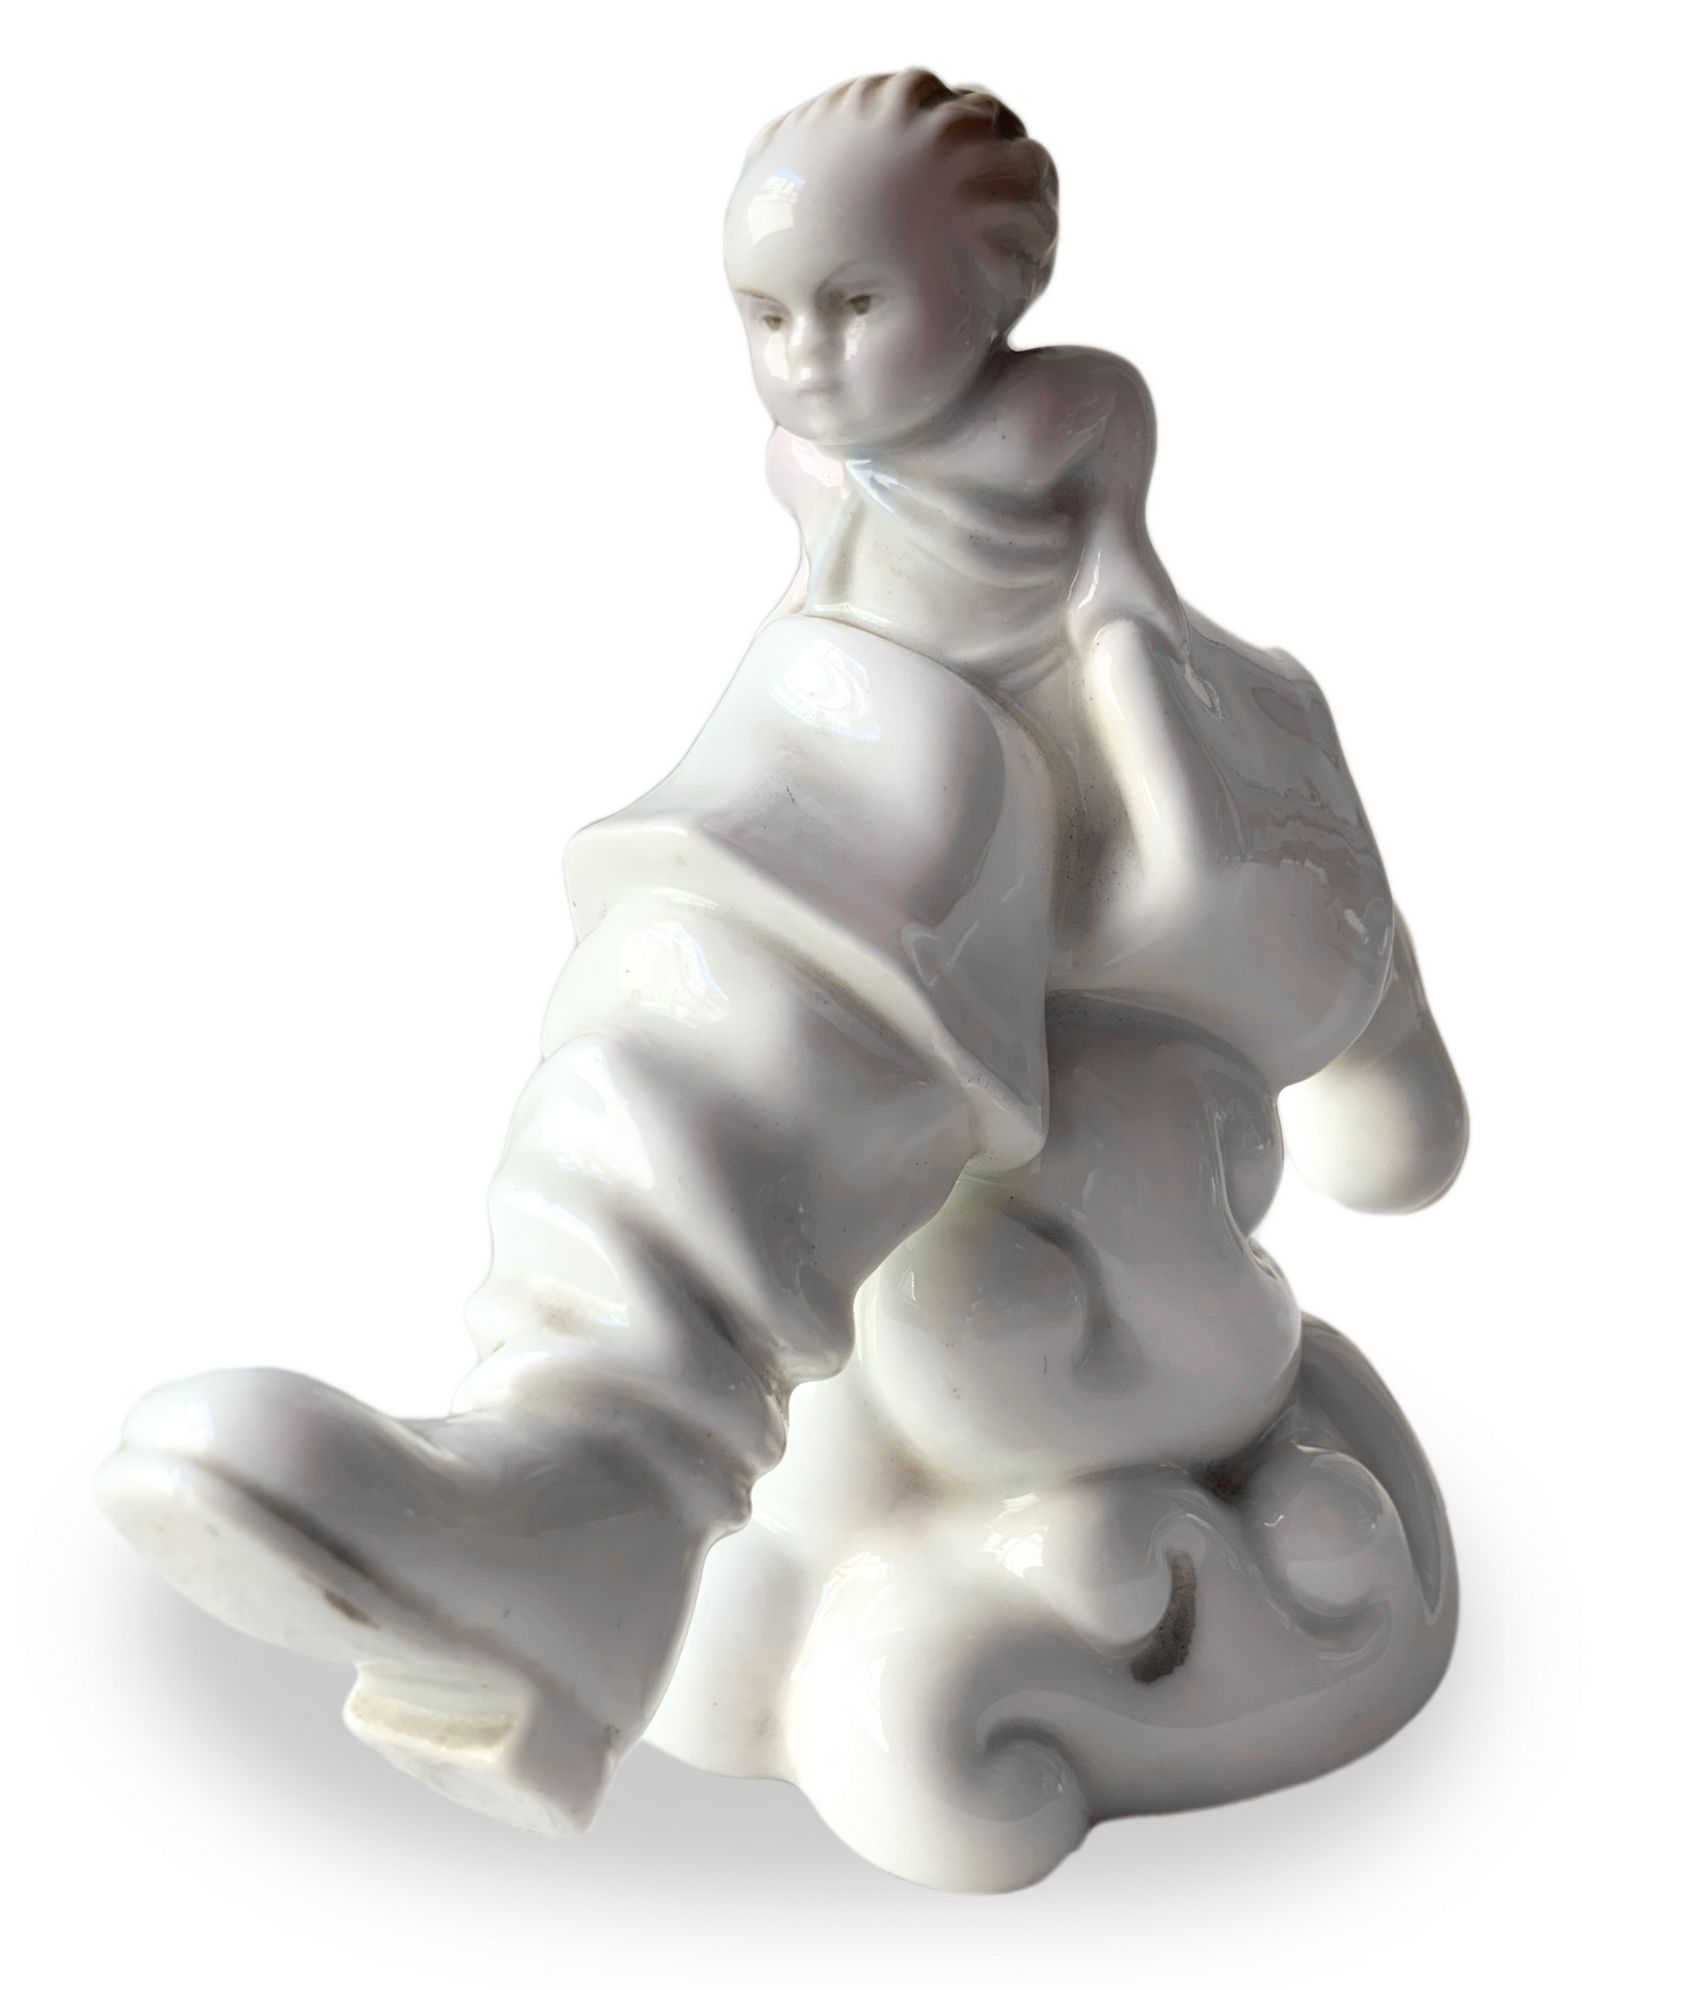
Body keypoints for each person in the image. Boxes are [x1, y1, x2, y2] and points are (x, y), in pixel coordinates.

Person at [97, 71, 1467, 1870]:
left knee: (870, 786)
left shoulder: (1073, 440)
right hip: (940, 928)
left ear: (995, 294)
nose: (807, 358)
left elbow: (1123, 624)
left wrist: (1177, 831)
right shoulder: (830, 503)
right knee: (772, 845)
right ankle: (583, 1482)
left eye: (855, 301)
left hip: (1119, 1105)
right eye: (763, 315)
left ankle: (590, 1485)